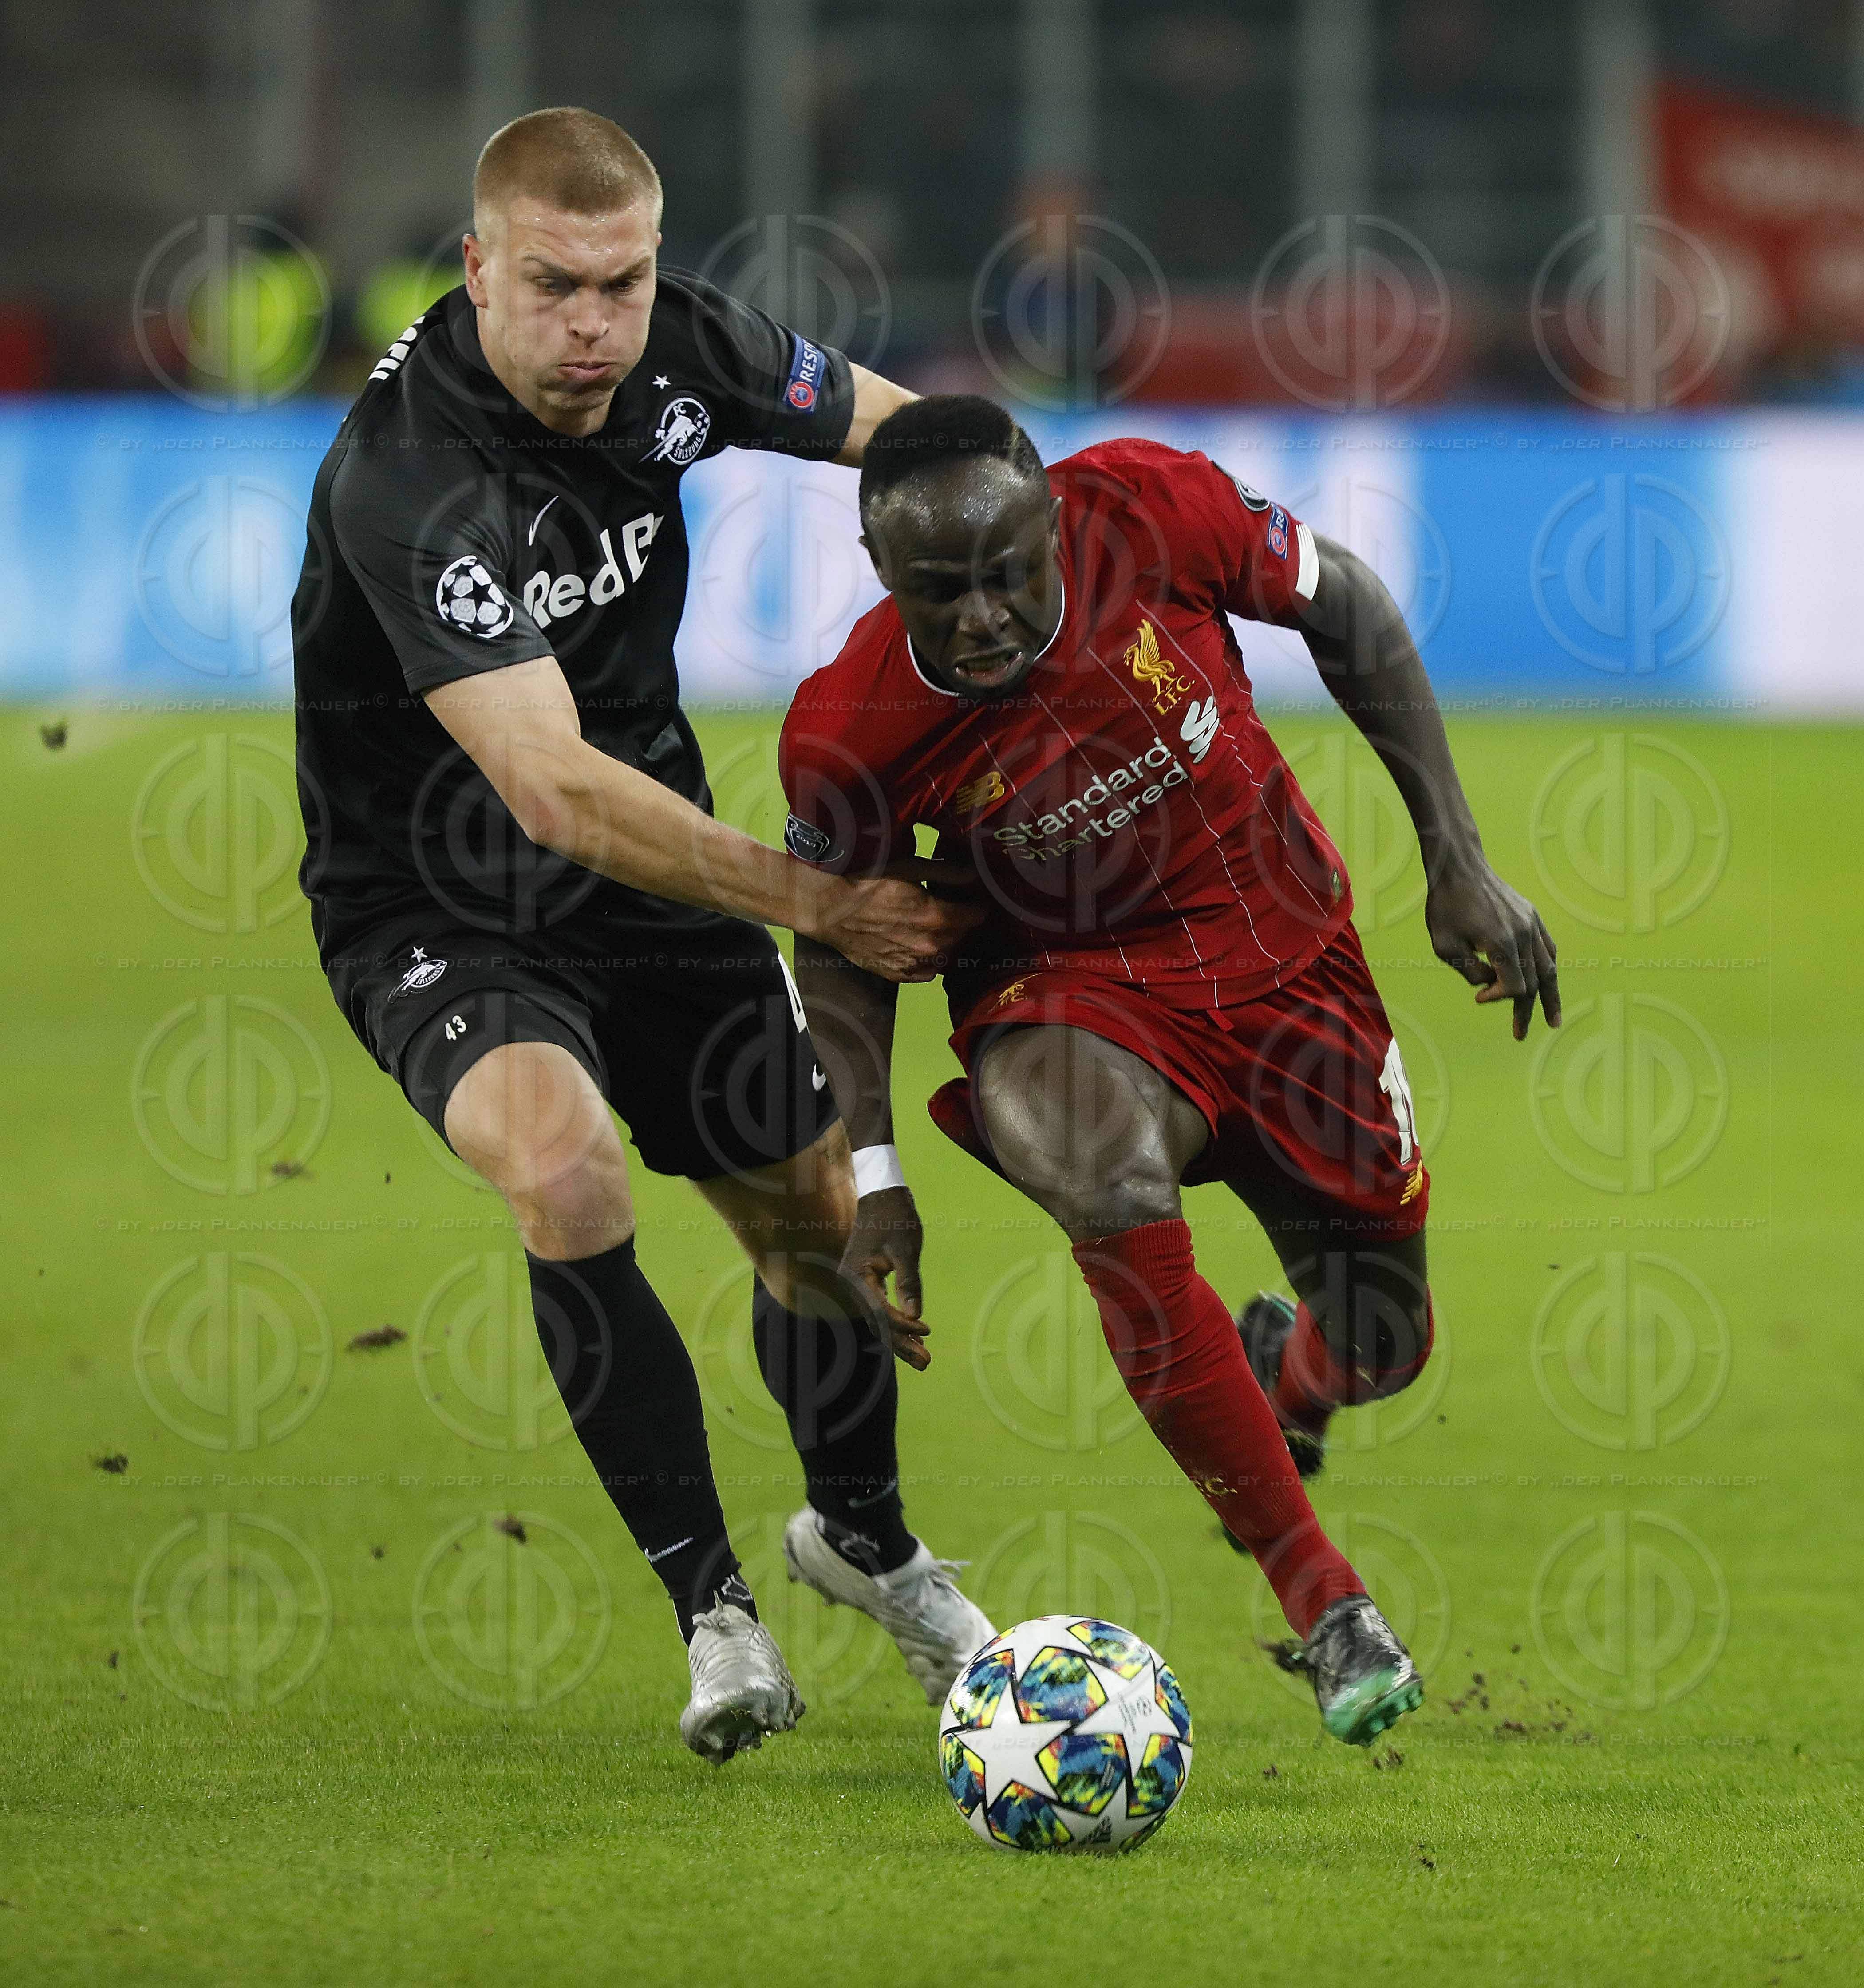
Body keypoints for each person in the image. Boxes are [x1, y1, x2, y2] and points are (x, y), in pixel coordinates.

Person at [289, 110, 992, 1765]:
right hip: (438, 903)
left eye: (623, 282)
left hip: (654, 874)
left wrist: (1033, 528)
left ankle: (867, 1544)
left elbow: (908, 437)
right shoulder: (409, 476)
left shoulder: (685, 342)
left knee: (815, 1229)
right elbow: (549, 789)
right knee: (565, 1166)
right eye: (555, 286)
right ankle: (716, 1614)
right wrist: (822, 903)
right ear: (478, 271)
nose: (596, 325)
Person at [778, 395, 1561, 1745]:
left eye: (1009, 574)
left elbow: (1347, 603)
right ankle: (1328, 1606)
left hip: (1289, 962)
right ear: (878, 568)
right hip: (1065, 991)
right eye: (939, 591)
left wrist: (1456, 857)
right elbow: (839, 937)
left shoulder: (1149, 506)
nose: (980, 618)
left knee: (1386, 1345)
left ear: (1055, 524)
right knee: (1105, 1179)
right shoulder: (851, 729)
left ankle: (1292, 1375)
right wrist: (877, 1174)